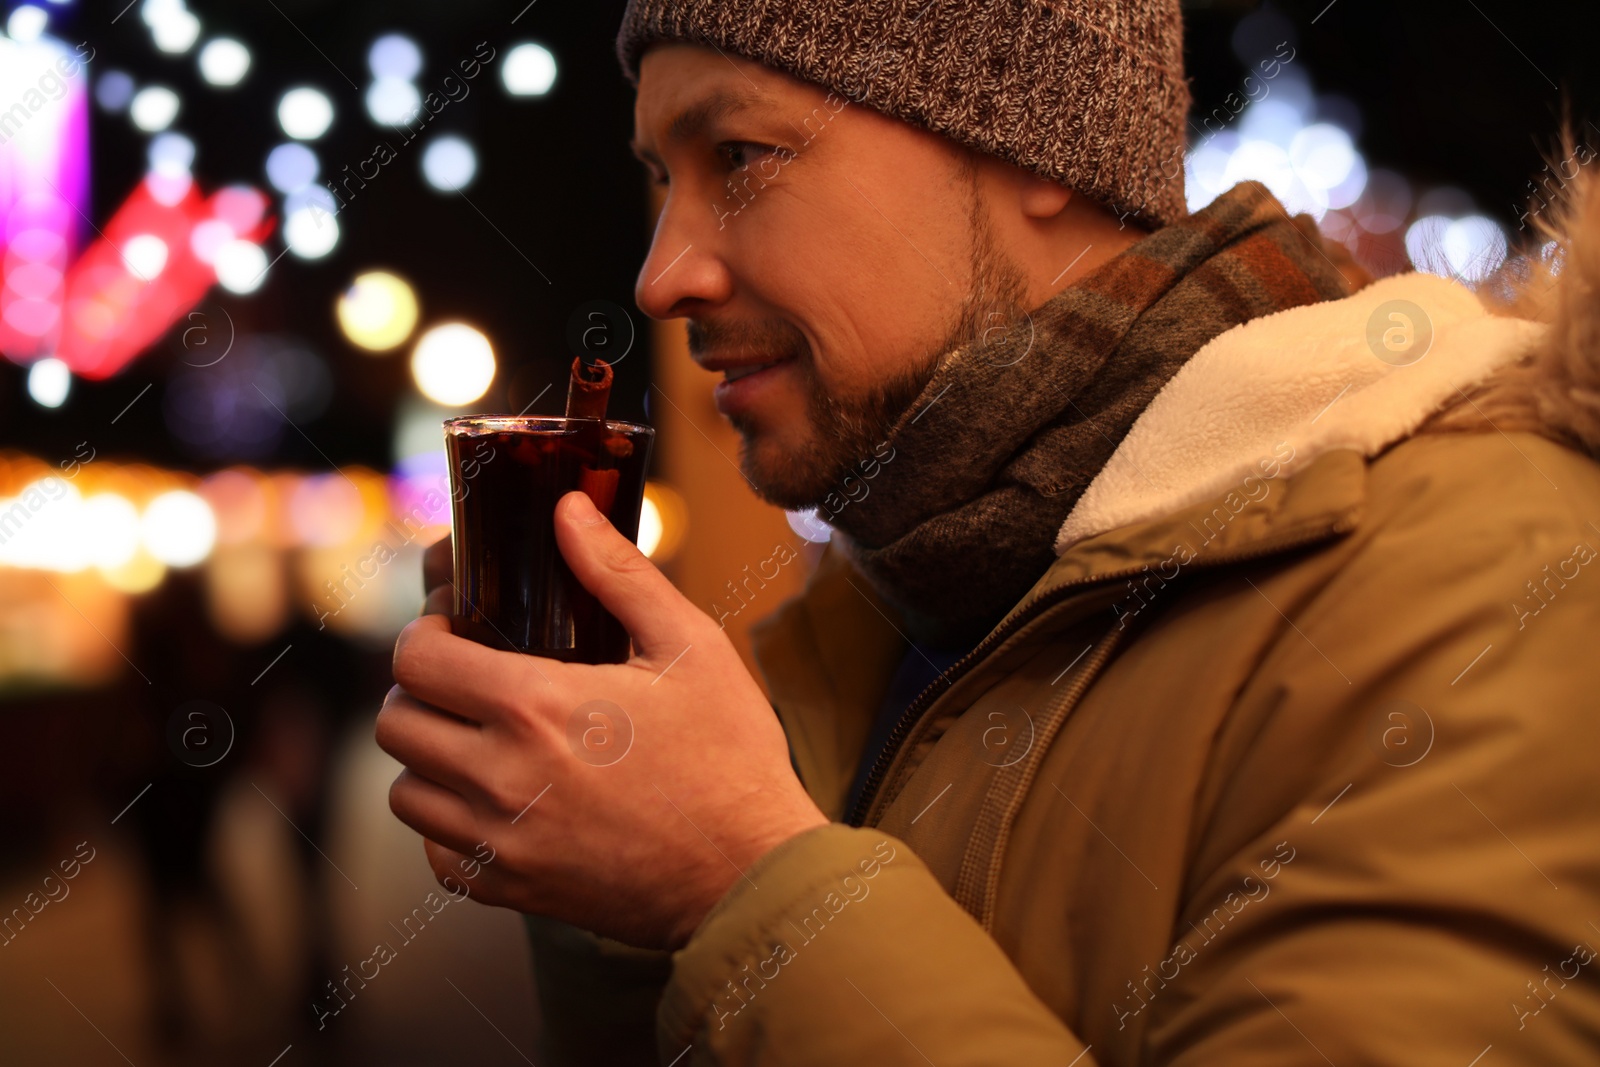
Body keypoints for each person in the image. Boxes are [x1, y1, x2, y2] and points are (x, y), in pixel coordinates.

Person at [375, 1, 1600, 1063]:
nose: (662, 273)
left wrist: (743, 877)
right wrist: (614, 875)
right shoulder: (894, 611)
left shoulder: (1488, 586)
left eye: (739, 155)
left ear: (1037, 142)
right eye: (660, 179)